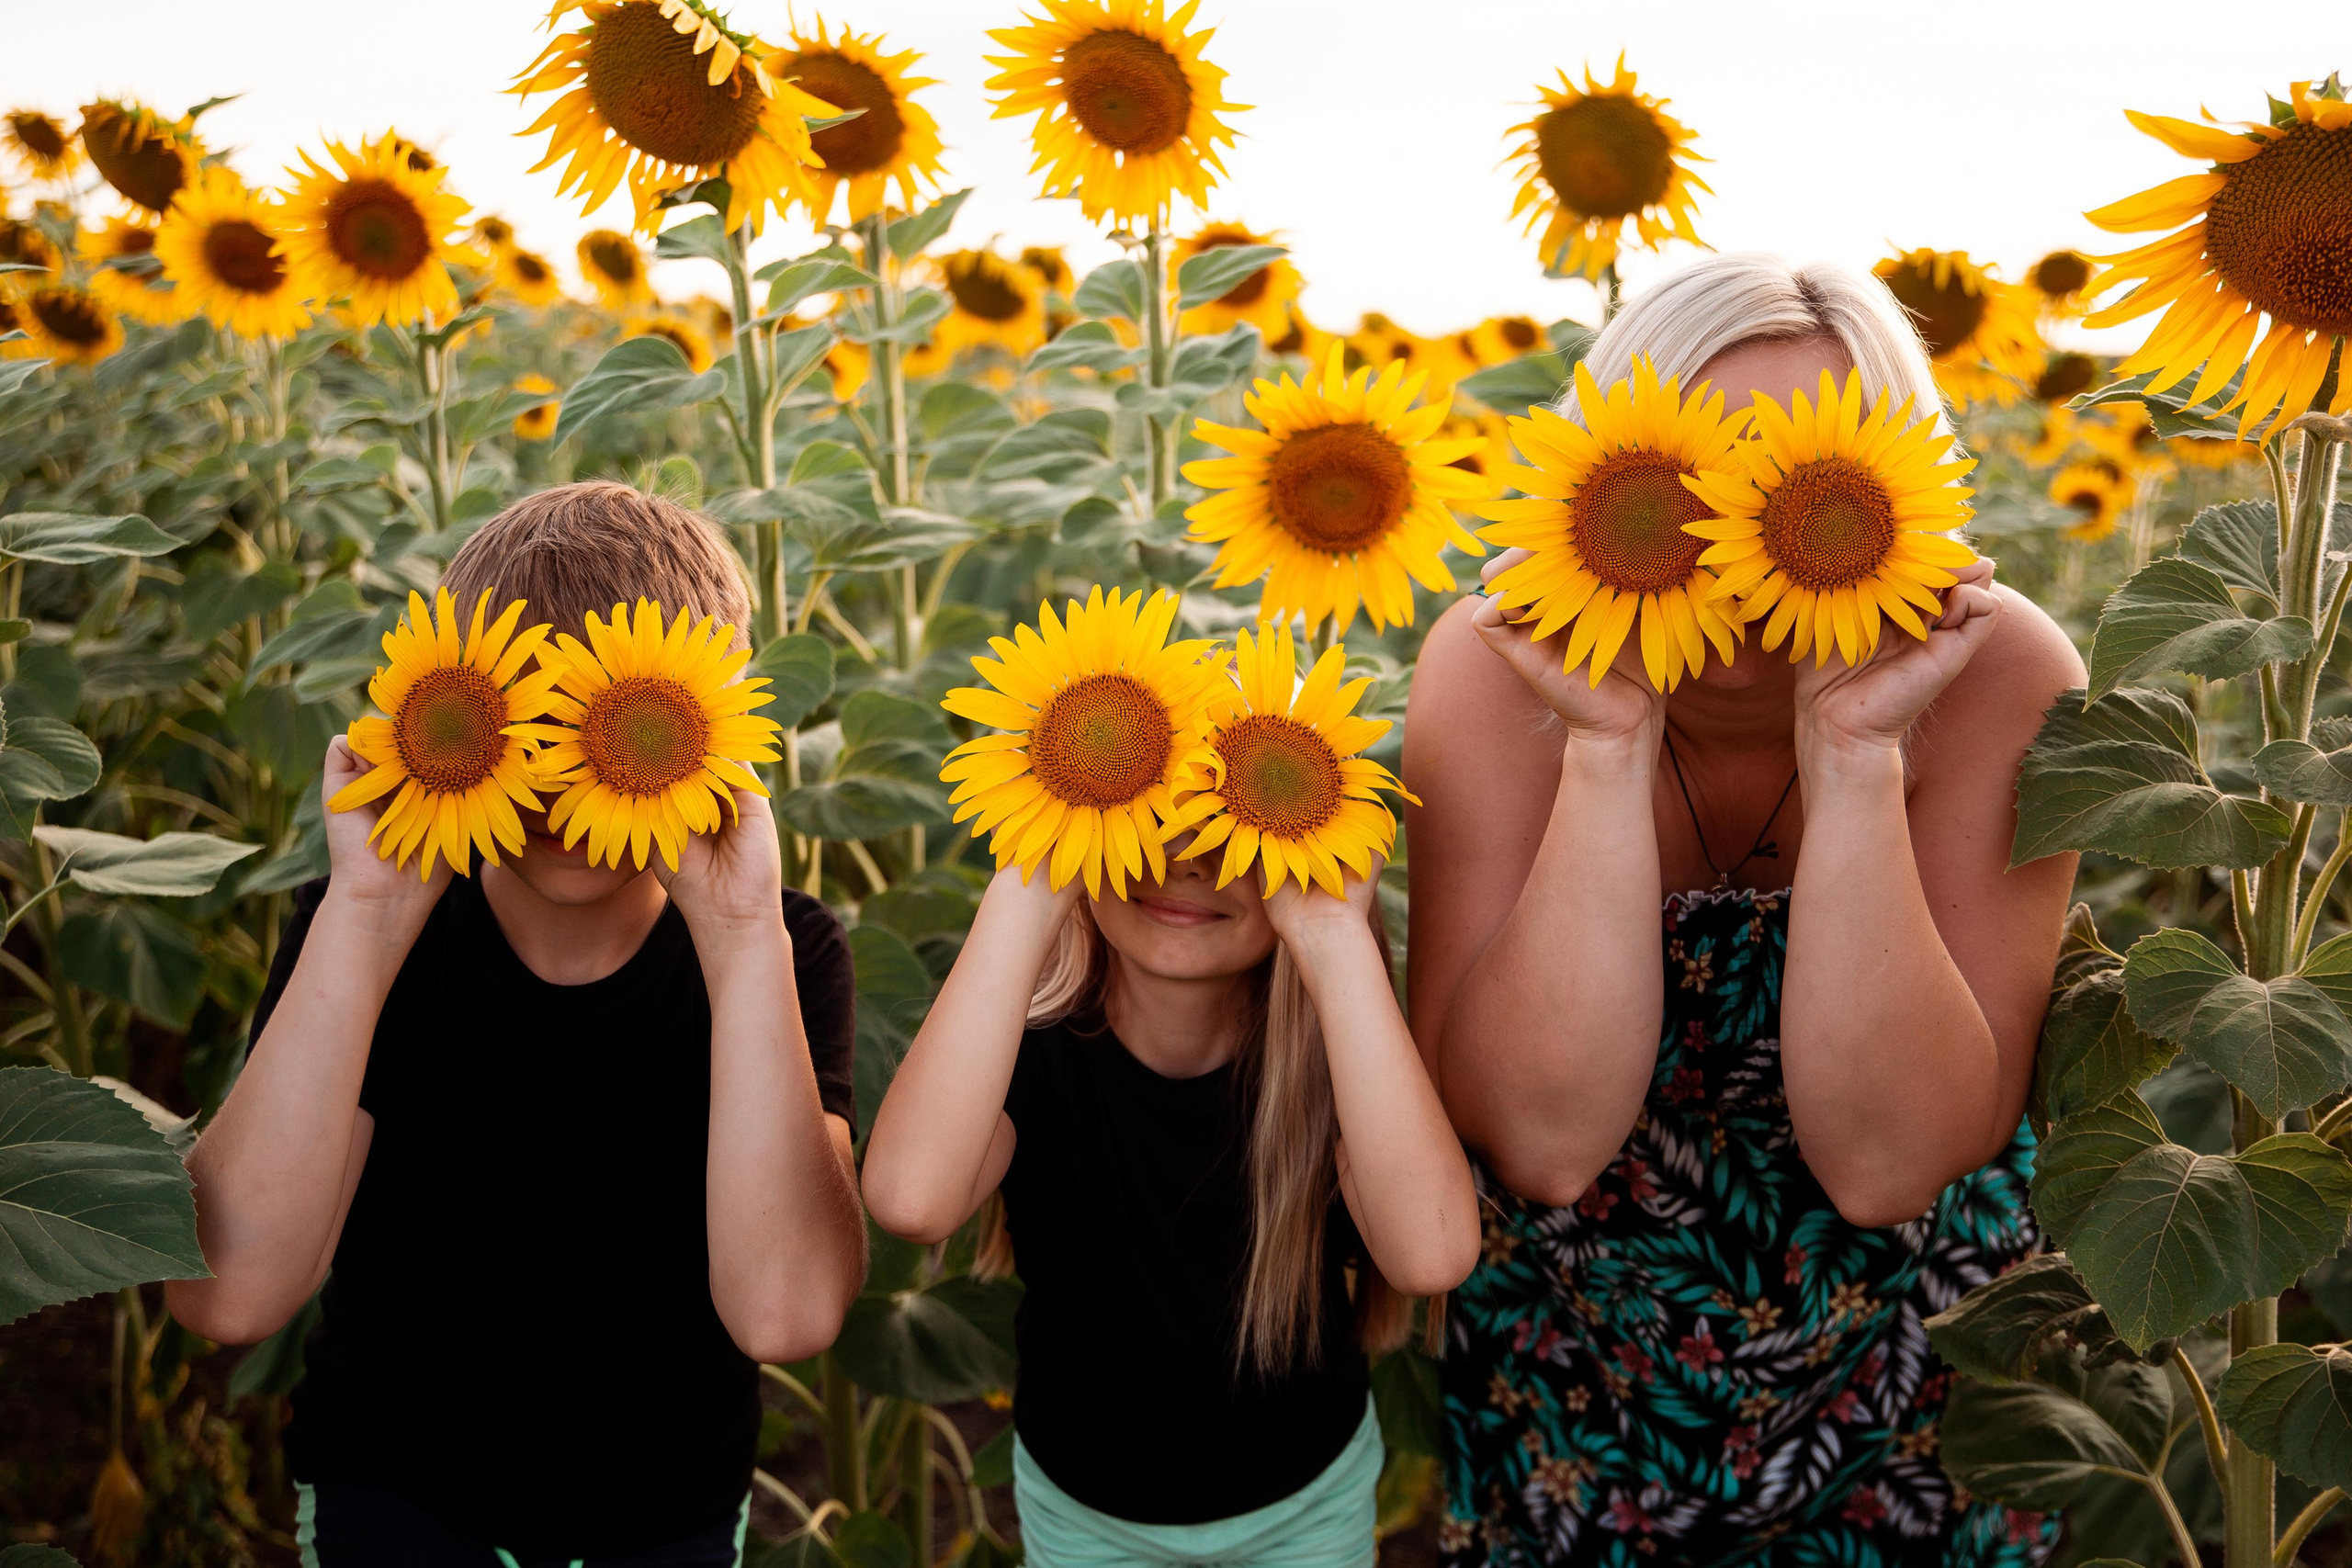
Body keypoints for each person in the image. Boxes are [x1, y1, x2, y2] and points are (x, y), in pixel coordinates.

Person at [1403, 255, 2085, 1566]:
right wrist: (1606, 745)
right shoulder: (1496, 672)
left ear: (1894, 489)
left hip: (1919, 1373)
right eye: (1691, 481)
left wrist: (1858, 754)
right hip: (1581, 1376)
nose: (1732, 537)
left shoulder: (2001, 674)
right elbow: (1539, 1144)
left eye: (1793, 485)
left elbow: (1891, 1163)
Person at [167, 482, 866, 1567]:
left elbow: (787, 1314)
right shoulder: (372, 937)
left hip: (669, 1520)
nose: (559, 786)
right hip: (389, 1505)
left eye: (607, 728)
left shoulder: (782, 950)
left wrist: (739, 934)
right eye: (527, 729)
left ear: (706, 728)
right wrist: (366, 912)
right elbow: (228, 1293)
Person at [861, 841, 1480, 1568]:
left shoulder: (1337, 1050)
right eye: (1151, 819)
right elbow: (912, 1199)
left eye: (1228, 829)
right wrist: (1032, 884)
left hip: (1305, 1507)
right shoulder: (1026, 1046)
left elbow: (1430, 1254)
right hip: (1086, 1514)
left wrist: (1334, 934)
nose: (1186, 863)